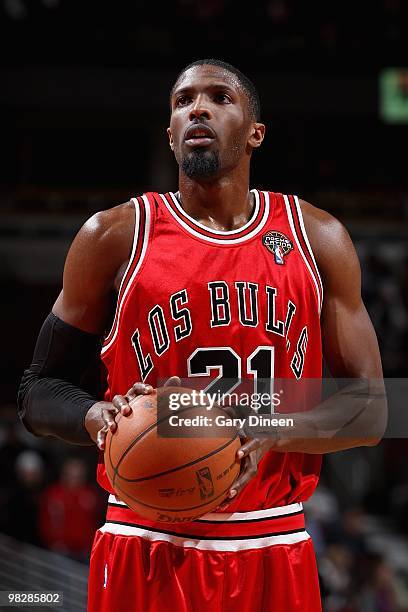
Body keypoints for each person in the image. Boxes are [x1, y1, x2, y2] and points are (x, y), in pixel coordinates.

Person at [18, 59, 385, 611]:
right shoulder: (114, 236)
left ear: (255, 132)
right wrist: (100, 419)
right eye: (183, 101)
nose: (198, 109)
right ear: (170, 135)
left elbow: (375, 408)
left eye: (219, 97)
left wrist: (274, 430)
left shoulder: (317, 237)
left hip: (271, 541)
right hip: (144, 539)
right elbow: (38, 389)